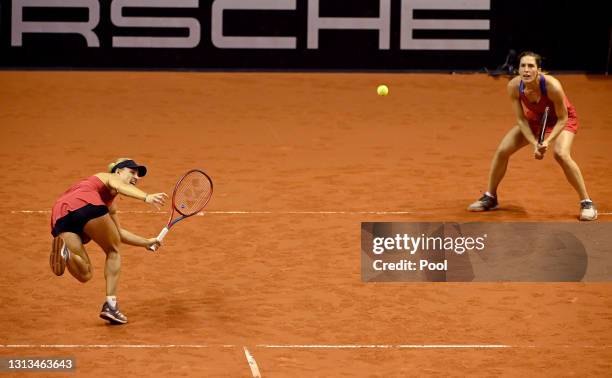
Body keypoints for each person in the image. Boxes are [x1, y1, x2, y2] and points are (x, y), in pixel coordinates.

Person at [468, 51, 597, 221]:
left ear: (539, 70)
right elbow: (521, 119)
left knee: (561, 154)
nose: (526, 70)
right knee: (502, 151)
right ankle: (490, 197)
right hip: (535, 119)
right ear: (518, 69)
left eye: (531, 66)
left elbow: (563, 118)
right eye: (523, 66)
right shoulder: (514, 86)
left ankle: (587, 202)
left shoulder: (553, 86)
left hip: (561, 119)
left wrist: (547, 142)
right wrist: (535, 143)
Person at [49, 158, 168, 324]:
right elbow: (120, 186)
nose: (136, 177)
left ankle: (65, 254)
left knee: (85, 274)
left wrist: (146, 242)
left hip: (60, 214)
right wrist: (146, 197)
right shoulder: (108, 177)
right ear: (118, 171)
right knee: (113, 251)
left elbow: (117, 233)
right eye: (132, 172)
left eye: (138, 175)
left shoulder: (109, 204)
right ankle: (111, 305)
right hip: (84, 203)